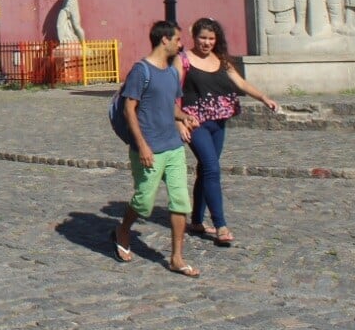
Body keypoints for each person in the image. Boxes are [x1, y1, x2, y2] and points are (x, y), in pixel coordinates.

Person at [112, 21, 201, 277]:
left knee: (181, 202)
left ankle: (176, 257)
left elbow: (168, 106)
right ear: (164, 40)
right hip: (149, 148)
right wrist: (142, 146)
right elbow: (130, 109)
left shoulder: (172, 73)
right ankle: (123, 230)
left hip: (173, 147)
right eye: (178, 40)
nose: (181, 45)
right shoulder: (141, 71)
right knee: (143, 203)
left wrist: (183, 116)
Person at [181, 17, 279, 247]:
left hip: (219, 122)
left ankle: (196, 220)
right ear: (194, 37)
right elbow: (172, 91)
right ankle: (221, 225)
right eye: (202, 38)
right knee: (212, 168)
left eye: (211, 38)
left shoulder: (222, 60)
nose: (206, 43)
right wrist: (178, 120)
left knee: (206, 169)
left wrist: (264, 98)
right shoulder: (183, 60)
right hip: (195, 123)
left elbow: (241, 83)